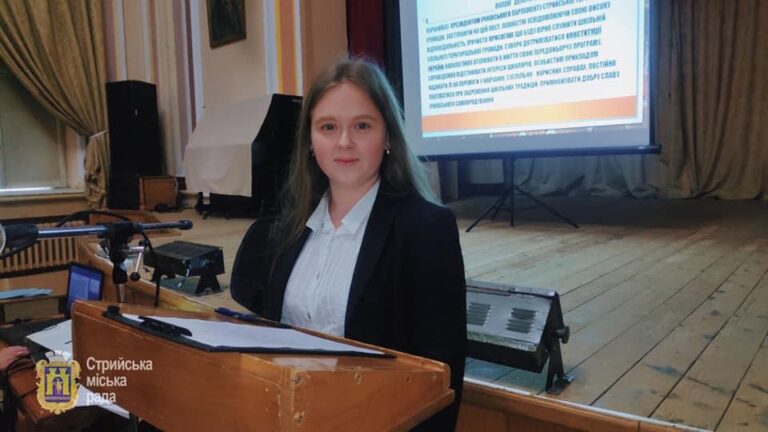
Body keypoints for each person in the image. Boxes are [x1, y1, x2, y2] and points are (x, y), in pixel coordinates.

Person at [231, 58, 466, 430]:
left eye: (362, 125)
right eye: (328, 127)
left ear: (388, 137)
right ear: (310, 141)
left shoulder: (427, 228)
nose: (344, 142)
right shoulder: (285, 227)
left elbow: (442, 374)